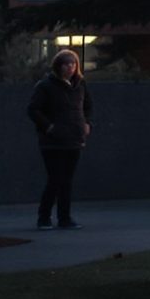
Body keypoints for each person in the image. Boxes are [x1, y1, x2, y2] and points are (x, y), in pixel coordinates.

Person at [27, 49, 92, 231]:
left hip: (74, 139)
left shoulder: (80, 84)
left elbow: (88, 106)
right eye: (66, 64)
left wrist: (87, 124)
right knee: (55, 178)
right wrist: (49, 127)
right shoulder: (45, 86)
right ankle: (44, 216)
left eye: (73, 64)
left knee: (67, 180)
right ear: (58, 65)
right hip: (53, 142)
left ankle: (65, 217)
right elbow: (33, 110)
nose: (70, 67)